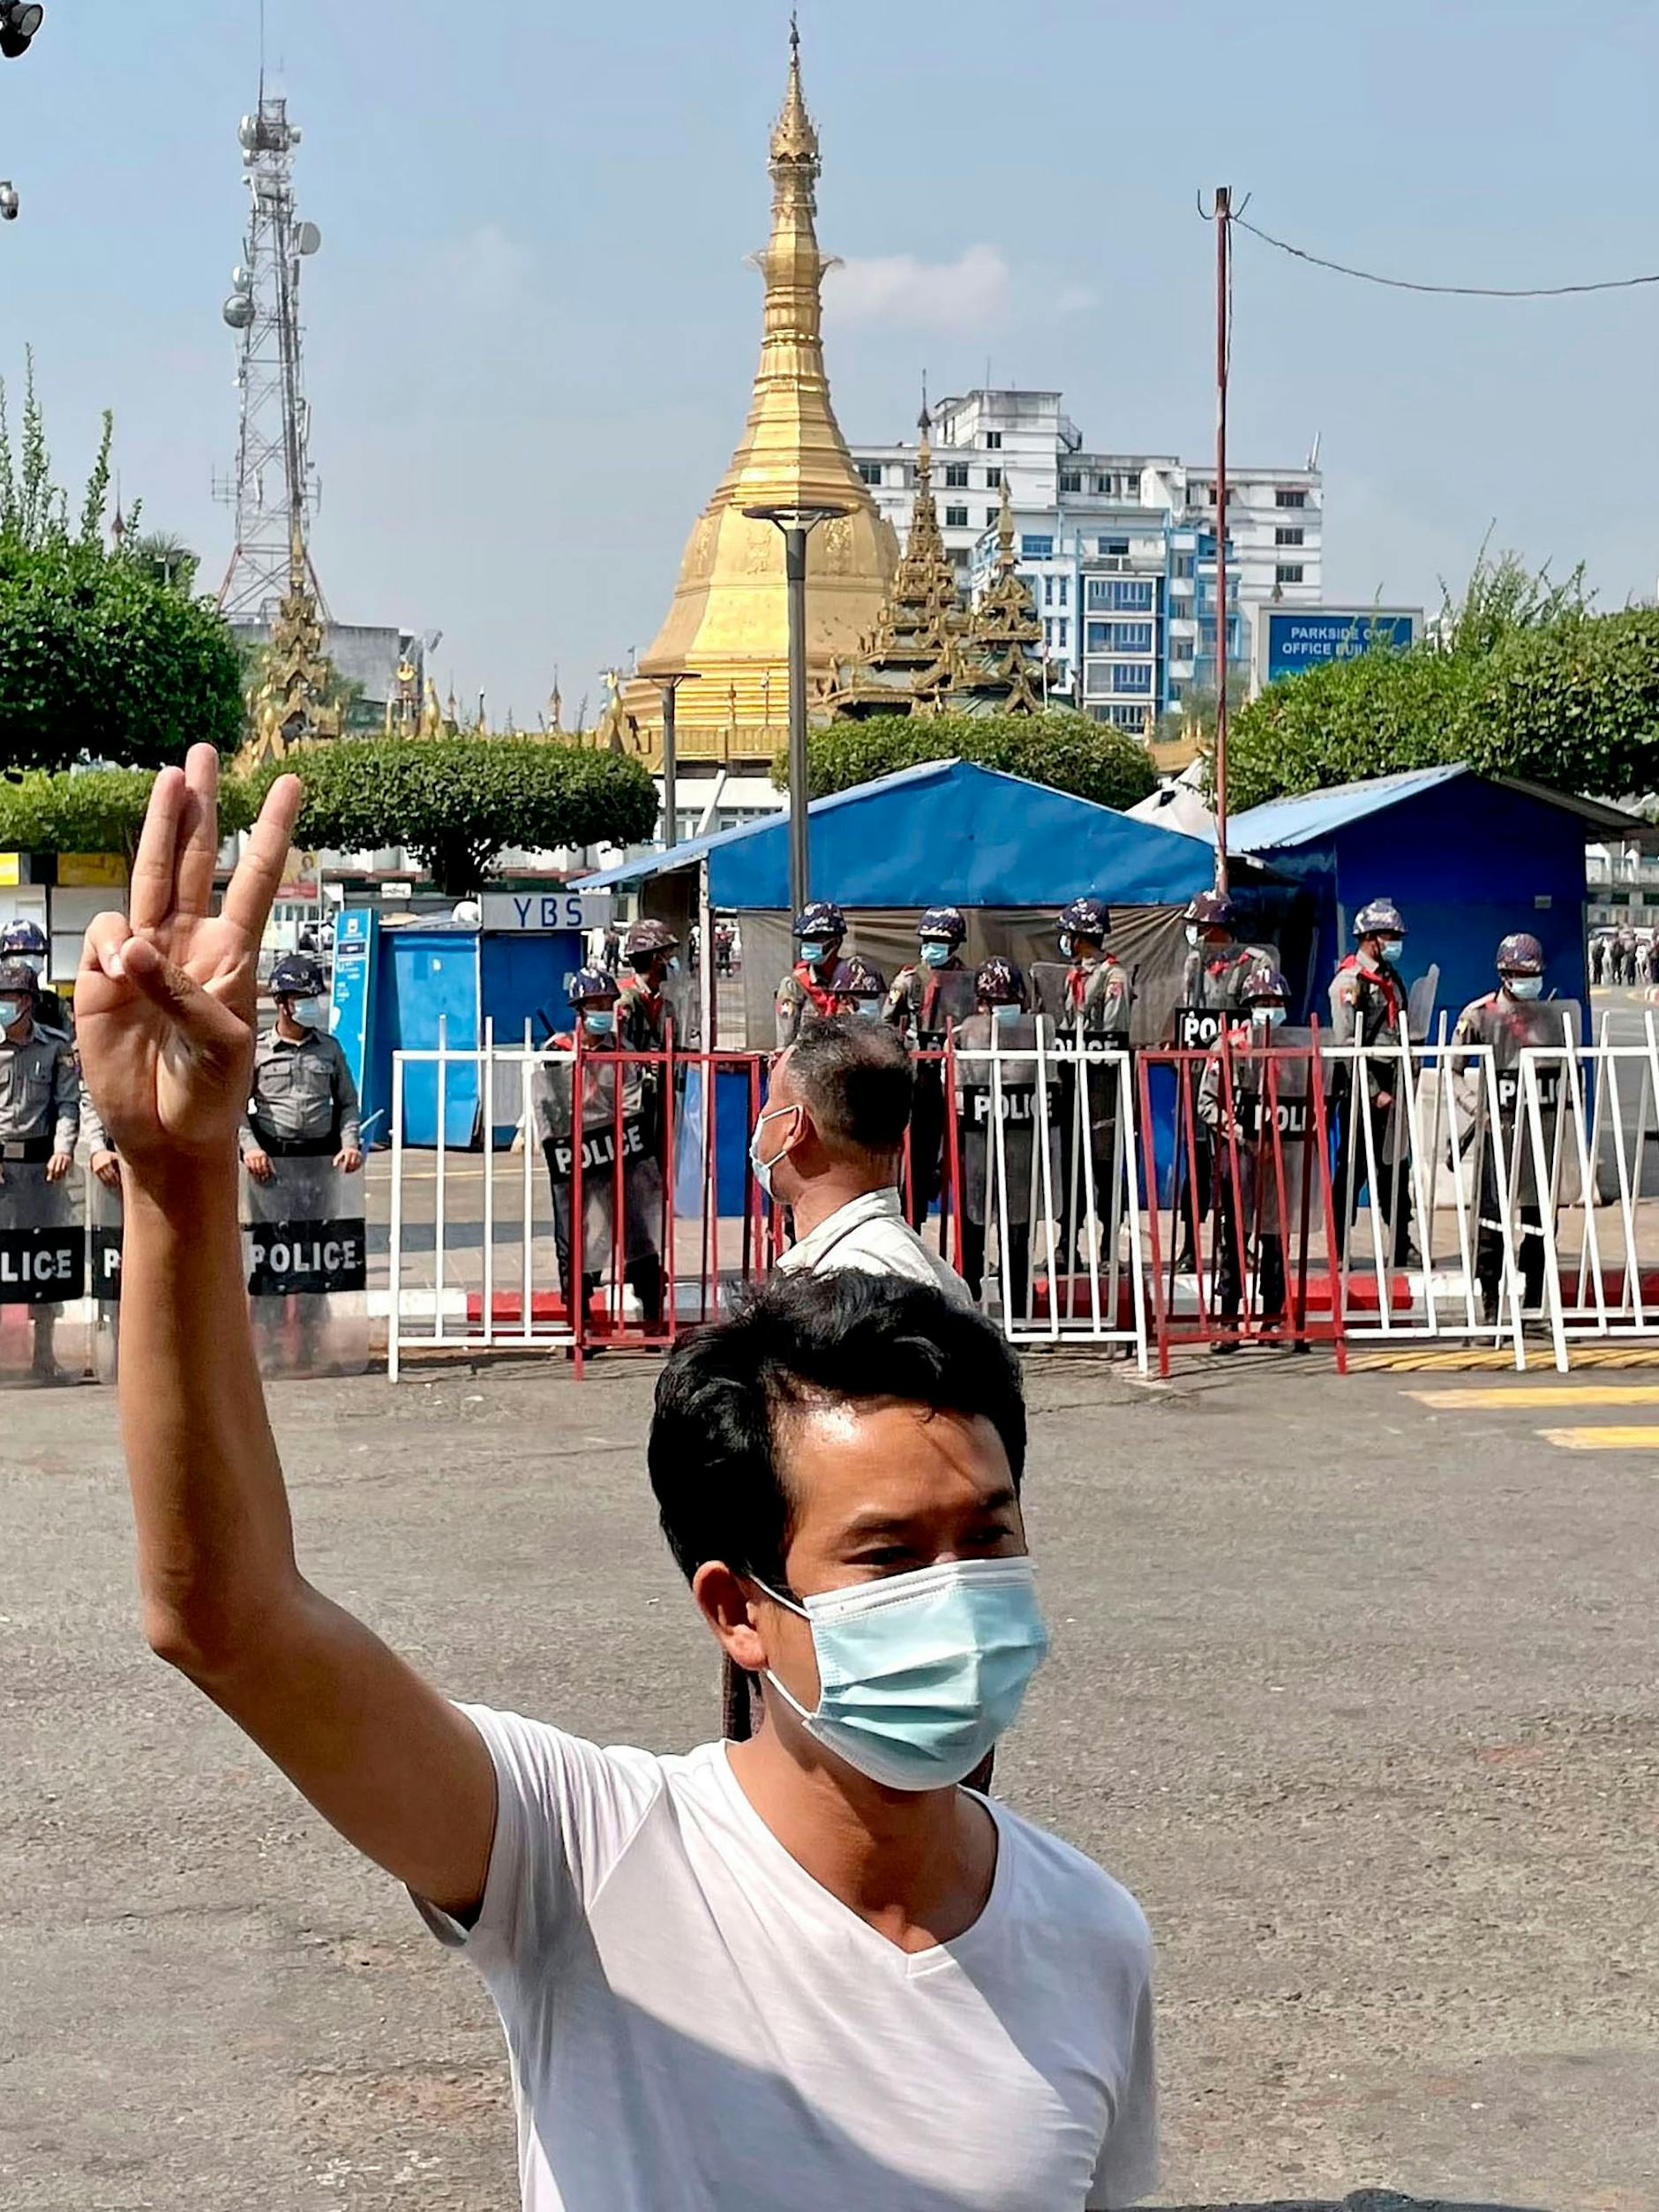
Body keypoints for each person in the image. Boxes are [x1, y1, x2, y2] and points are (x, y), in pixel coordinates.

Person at [78, 756, 1160, 2209]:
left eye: (991, 1535)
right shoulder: (581, 1860)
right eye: (890, 1554)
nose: (961, 1598)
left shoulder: (1094, 1940)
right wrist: (176, 1180)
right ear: (737, 1608)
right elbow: (228, 1618)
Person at [754, 1012, 972, 1308]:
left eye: (770, 1101)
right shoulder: (933, 1277)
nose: (763, 1116)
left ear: (794, 1128)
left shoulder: (855, 1289)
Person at [241, 952, 364, 1365]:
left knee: (316, 1254)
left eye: (314, 997)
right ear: (282, 1002)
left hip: (319, 1166)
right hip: (272, 1168)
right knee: (272, 1254)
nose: (311, 1005)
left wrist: (350, 1143)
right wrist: (251, 1148)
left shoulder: (329, 1049)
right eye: (302, 998)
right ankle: (269, 1346)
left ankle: (312, 1344)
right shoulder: (257, 1051)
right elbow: (236, 1110)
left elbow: (347, 1103)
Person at [529, 967, 664, 1336]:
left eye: (607, 1004)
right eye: (595, 1005)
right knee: (575, 1236)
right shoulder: (557, 1051)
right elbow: (548, 1107)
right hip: (575, 1156)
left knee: (636, 1230)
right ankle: (581, 1321)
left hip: (617, 1152)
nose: (603, 1011)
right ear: (579, 1010)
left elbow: (631, 1102)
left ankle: (652, 1316)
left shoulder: (623, 1050)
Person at [1450, 933, 1567, 1325]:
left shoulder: (1550, 1015)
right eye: (1520, 974)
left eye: (1533, 974)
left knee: (1540, 1219)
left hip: (1539, 1131)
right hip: (1496, 1130)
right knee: (1491, 1220)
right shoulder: (1479, 1015)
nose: (1528, 981)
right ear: (1504, 974)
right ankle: (1489, 1302)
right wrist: (1475, 1108)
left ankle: (1533, 1302)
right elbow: (1454, 1071)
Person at [1197, 969, 1296, 1353]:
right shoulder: (1228, 1046)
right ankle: (1229, 1318)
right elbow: (1207, 1103)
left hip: (1280, 1154)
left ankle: (1273, 1318)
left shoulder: (1293, 1048)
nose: (1270, 1009)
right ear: (1249, 1006)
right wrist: (1241, 1133)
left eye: (1276, 1003)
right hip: (1238, 1152)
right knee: (1235, 1235)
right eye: (1262, 1003)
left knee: (1275, 1236)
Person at [952, 956, 1052, 1312]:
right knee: (972, 1225)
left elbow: (1048, 1084)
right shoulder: (967, 1034)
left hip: (1019, 1147)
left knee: (1018, 1229)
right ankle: (969, 1300)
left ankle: (1018, 1304)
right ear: (980, 1003)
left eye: (1008, 1000)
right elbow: (957, 1089)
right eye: (993, 1001)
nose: (1000, 1007)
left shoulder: (1036, 1034)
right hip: (978, 1145)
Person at [1171, 890, 1260, 1271]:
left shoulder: (1254, 963)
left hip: (1239, 1077)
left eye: (1200, 927)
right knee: (1196, 1167)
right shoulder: (1194, 963)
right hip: (1200, 1077)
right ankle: (1190, 1246)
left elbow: (1260, 1013)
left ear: (1218, 927)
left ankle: (1237, 1244)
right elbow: (1188, 1011)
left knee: (1237, 1170)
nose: (1196, 934)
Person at [0, 955, 79, 1377]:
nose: (3, 1004)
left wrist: (63, 1148)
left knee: (43, 1260)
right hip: (1, 1169)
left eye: (10, 997)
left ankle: (43, 1355)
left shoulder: (55, 1047)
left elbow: (67, 1104)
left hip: (41, 1169)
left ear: (27, 1001)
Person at [1328, 897, 1413, 1265]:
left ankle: (1401, 1241)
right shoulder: (1349, 982)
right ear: (1369, 938)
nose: (1395, 943)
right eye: (1390, 936)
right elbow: (1347, 1044)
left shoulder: (1391, 978)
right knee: (1354, 1168)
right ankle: (1339, 1246)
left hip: (1394, 1078)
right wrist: (1373, 1092)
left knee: (1396, 1166)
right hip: (1363, 1083)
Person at [883, 906, 972, 1231]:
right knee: (916, 1157)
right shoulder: (909, 980)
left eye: (939, 941)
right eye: (927, 940)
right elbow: (886, 1023)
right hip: (918, 1080)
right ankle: (913, 1224)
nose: (931, 947)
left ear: (955, 944)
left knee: (962, 1159)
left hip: (958, 1079)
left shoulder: (968, 983)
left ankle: (969, 1242)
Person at [775, 900, 852, 1048]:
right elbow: (786, 1042)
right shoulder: (794, 985)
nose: (808, 944)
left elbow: (869, 1031)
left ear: (835, 942)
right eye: (805, 939)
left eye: (815, 938)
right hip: (808, 1059)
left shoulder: (855, 979)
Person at [1, 918, 71, 1036]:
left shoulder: (55, 1005)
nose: (30, 960)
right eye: (20, 954)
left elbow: (70, 1040)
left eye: (37, 954)